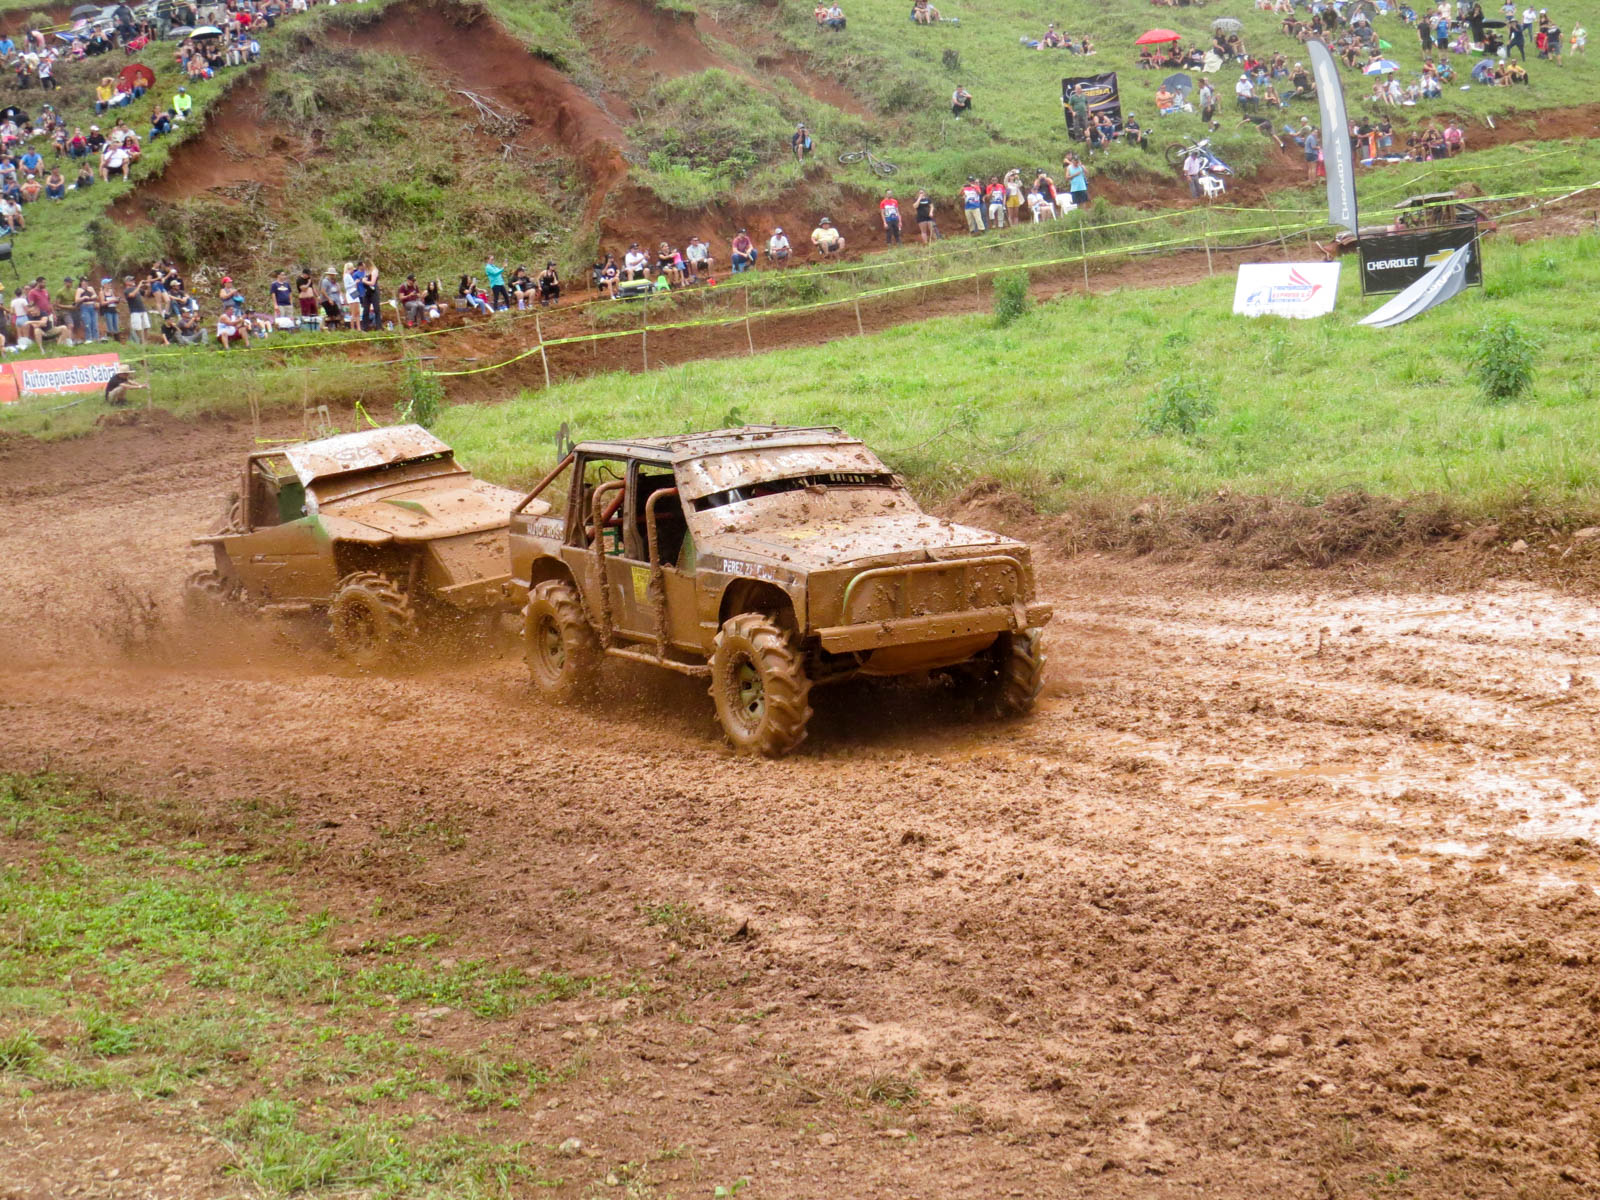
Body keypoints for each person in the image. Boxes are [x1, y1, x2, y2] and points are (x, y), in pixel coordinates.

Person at [123, 275, 150, 343]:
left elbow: (146, 294)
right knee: (137, 328)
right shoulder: (126, 290)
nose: (133, 281)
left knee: (146, 326)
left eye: (133, 280)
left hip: (142, 309)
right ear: (126, 282)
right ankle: (139, 341)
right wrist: (139, 286)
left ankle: (145, 342)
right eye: (131, 280)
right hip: (135, 311)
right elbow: (132, 295)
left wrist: (148, 286)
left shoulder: (137, 288)